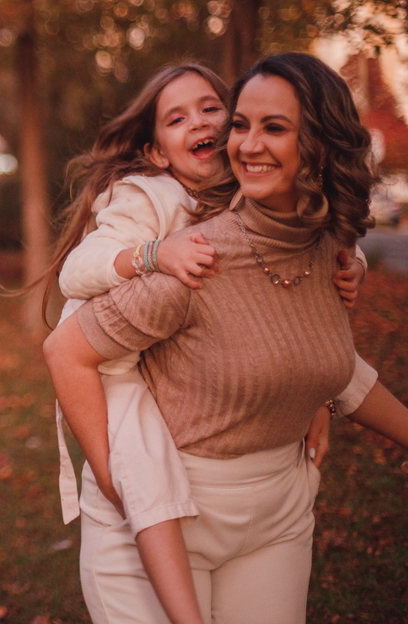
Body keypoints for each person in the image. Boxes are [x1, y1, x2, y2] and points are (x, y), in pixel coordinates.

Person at [44, 52, 408, 624]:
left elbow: (310, 347)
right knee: (141, 463)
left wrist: (313, 391)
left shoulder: (315, 246)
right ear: (157, 151)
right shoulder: (173, 234)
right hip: (130, 391)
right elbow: (70, 314)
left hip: (275, 514)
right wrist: (149, 255)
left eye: (220, 113)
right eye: (243, 125)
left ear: (318, 144)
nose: (226, 134)